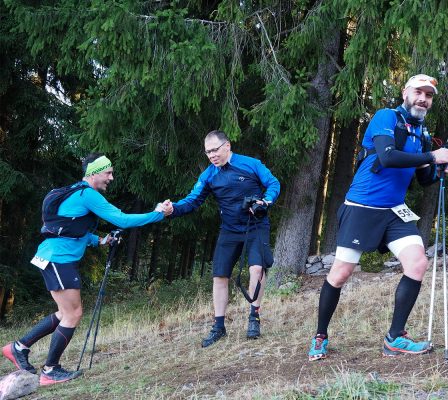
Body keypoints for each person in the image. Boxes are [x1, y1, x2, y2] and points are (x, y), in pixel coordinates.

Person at [307, 74, 448, 361]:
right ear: (405, 93)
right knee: (340, 274)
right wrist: (431, 157)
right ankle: (320, 336)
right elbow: (387, 157)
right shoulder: (386, 117)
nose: (423, 99)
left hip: (394, 211)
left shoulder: (422, 134)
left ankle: (395, 338)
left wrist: (440, 167)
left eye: (429, 95)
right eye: (418, 93)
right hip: (362, 207)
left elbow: (425, 177)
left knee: (417, 262)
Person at [2, 153, 169, 385]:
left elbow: (70, 227)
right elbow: (122, 220)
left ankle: (18, 348)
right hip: (58, 258)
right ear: (93, 173)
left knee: (64, 313)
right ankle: (50, 371)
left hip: (52, 256)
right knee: (73, 314)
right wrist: (158, 213)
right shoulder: (87, 194)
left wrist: (100, 241)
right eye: (107, 172)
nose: (111, 177)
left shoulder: (74, 192)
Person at [161, 130, 280, 348]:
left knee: (256, 269)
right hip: (229, 230)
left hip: (255, 226)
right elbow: (192, 201)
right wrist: (172, 209)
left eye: (215, 150)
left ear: (227, 146)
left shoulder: (251, 164)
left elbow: (273, 183)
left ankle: (254, 317)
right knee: (219, 276)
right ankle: (219, 327)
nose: (212, 155)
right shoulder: (209, 175)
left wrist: (265, 201)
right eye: (208, 152)